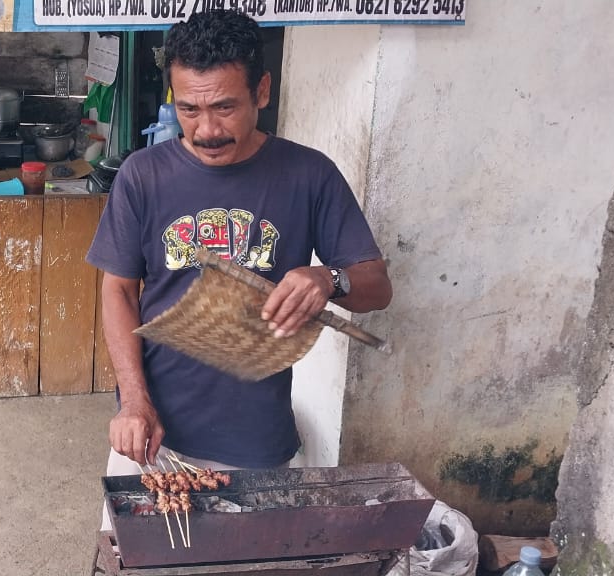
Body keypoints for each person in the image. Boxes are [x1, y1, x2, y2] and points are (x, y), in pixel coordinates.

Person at [86, 9, 393, 497]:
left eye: (225, 107)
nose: (207, 130)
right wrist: (134, 402)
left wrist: (328, 279)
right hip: (151, 431)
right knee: (141, 544)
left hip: (256, 437)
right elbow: (119, 291)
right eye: (189, 109)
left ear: (262, 91)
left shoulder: (309, 175)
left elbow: (376, 288)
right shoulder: (143, 175)